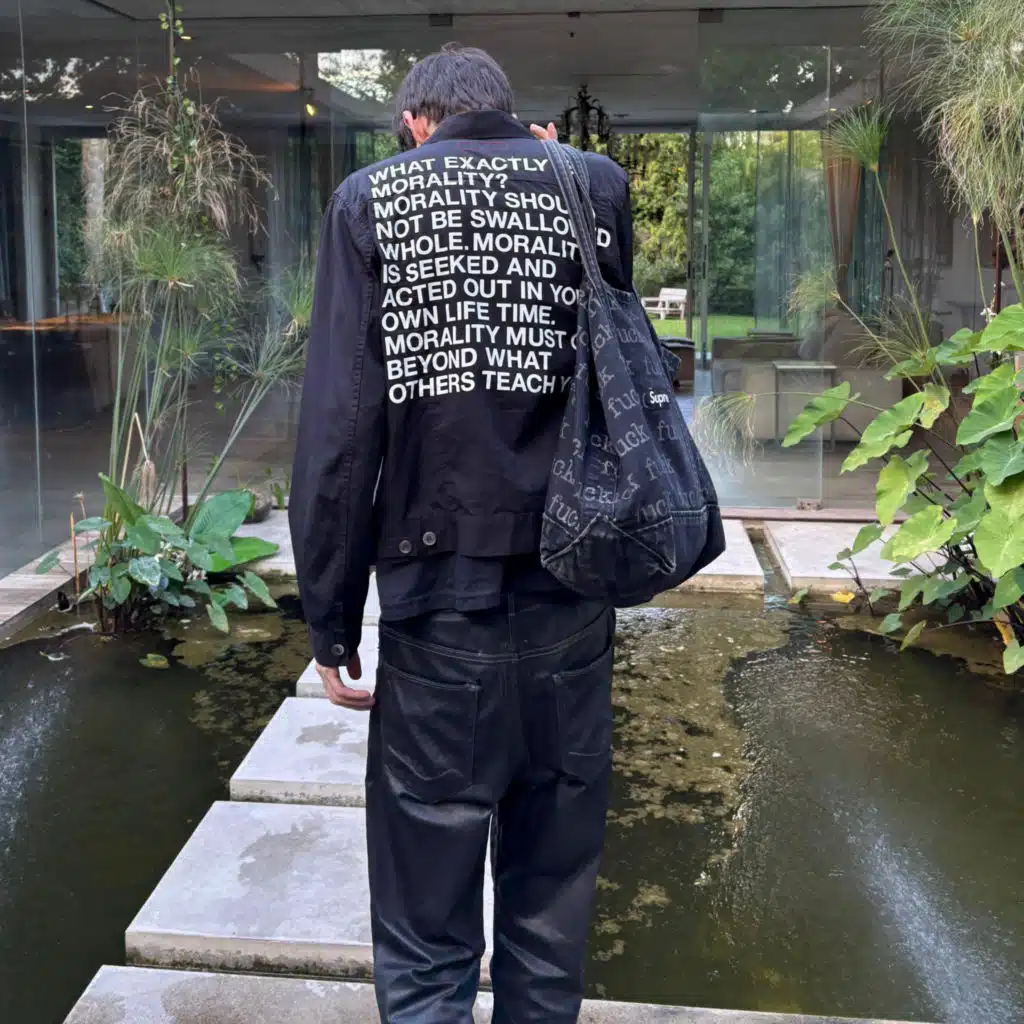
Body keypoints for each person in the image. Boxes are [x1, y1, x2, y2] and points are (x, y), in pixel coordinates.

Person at [289, 43, 633, 1024]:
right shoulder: (591, 185)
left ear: (414, 122)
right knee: (548, 918)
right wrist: (552, 169)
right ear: (509, 111)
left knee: (425, 935)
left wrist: (330, 618)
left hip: (438, 610)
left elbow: (342, 428)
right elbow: (612, 375)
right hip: (572, 593)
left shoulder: (369, 200)